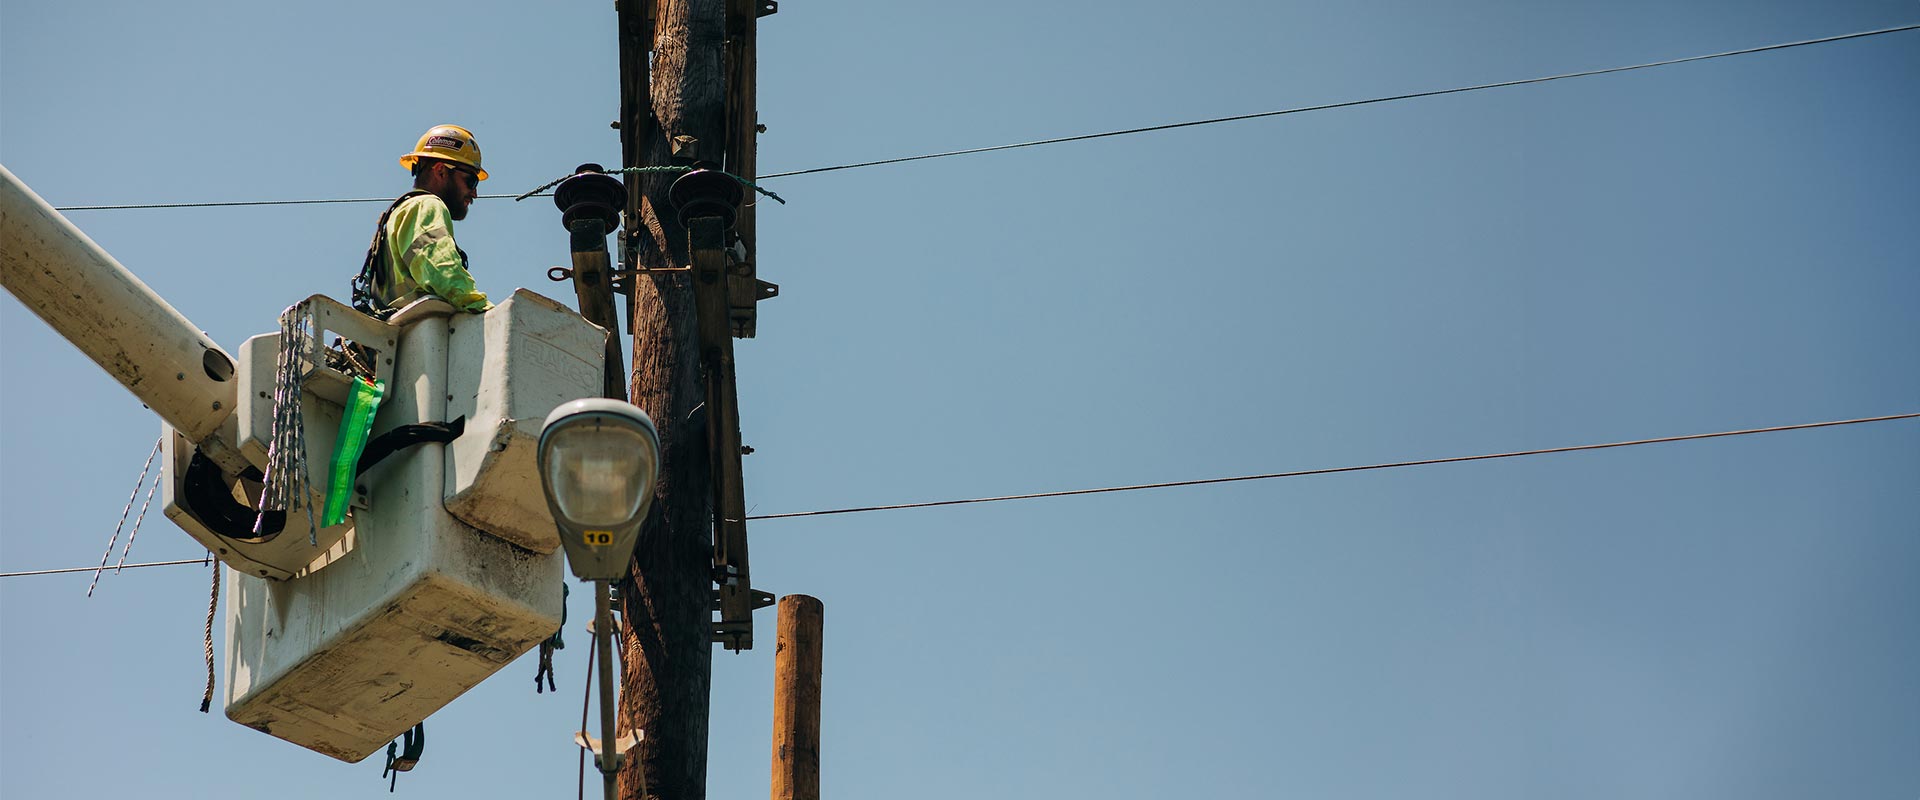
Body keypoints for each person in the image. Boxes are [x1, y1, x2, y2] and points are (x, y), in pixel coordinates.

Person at [352, 124, 493, 317]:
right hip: (422, 332)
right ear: (441, 171)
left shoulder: (399, 214)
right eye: (471, 181)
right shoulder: (426, 205)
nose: (475, 193)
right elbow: (443, 271)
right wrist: (492, 314)